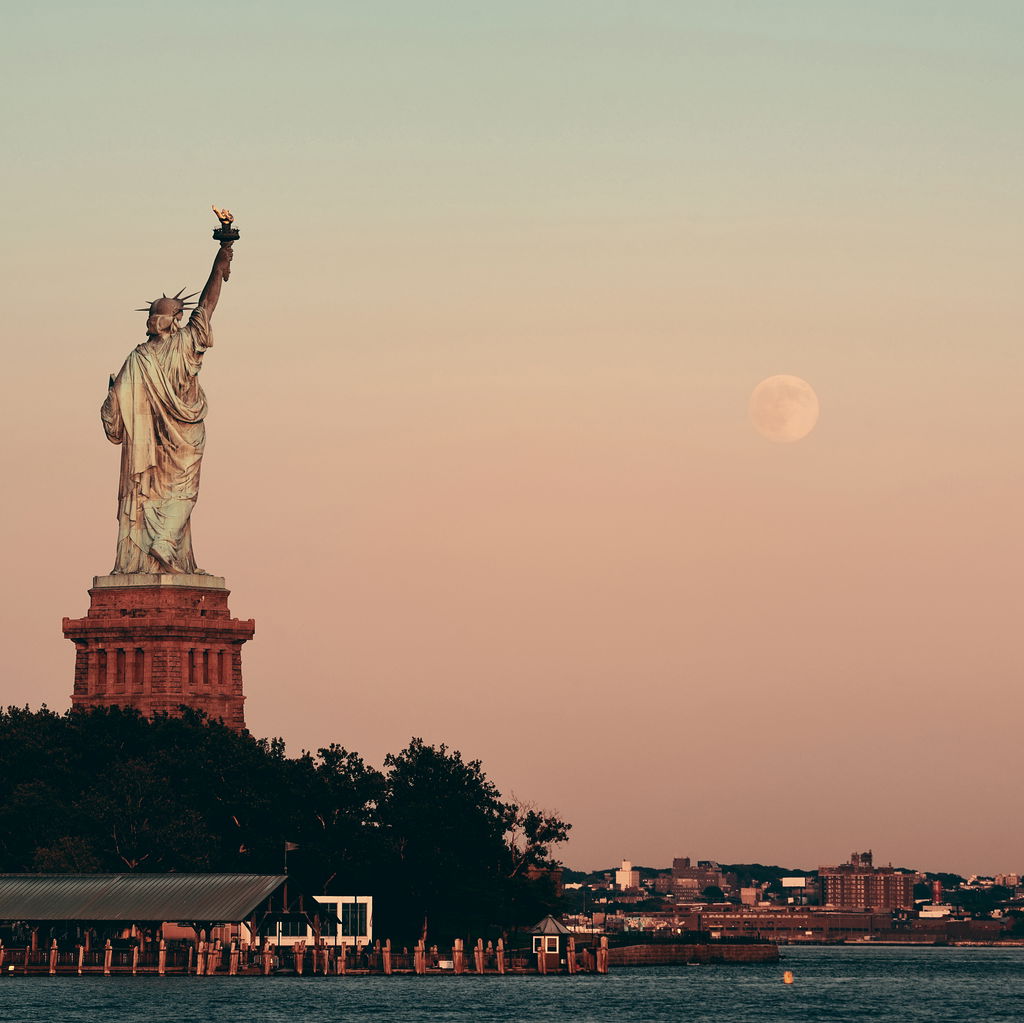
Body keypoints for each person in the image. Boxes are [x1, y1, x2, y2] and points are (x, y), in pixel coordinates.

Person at [101, 241, 234, 574]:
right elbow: (208, 304)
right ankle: (163, 546)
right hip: (185, 436)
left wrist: (111, 396)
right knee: (185, 491)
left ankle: (157, 553)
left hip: (149, 449)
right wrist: (222, 258)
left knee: (153, 496)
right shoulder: (186, 343)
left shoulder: (138, 359)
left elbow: (114, 414)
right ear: (175, 320)